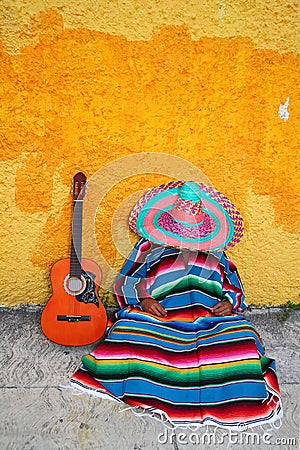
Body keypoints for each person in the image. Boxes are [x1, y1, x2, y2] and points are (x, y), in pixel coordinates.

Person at [71, 180, 282, 430]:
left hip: (211, 318)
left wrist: (229, 301)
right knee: (127, 336)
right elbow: (126, 283)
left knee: (243, 341)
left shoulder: (216, 251)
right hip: (161, 316)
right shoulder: (149, 247)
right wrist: (145, 300)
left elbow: (234, 286)